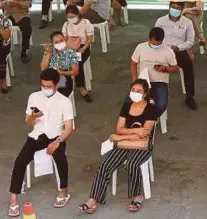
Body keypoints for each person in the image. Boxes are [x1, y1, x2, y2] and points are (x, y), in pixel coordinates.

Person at [78, 79, 157, 213]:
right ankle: (93, 200)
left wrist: (121, 137)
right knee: (105, 165)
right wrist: (136, 131)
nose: (135, 93)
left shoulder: (151, 109)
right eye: (133, 90)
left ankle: (137, 195)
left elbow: (145, 134)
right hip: (125, 143)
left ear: (145, 93)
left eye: (139, 91)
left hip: (142, 146)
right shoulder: (126, 106)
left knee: (132, 163)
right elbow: (120, 128)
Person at [7, 69, 74, 217]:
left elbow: (69, 128)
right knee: (20, 161)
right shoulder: (34, 97)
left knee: (61, 160)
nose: (46, 89)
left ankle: (63, 191)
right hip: (37, 135)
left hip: (56, 136)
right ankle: (13, 197)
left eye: (49, 86)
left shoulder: (64, 101)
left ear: (56, 85)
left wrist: (57, 142)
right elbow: (28, 123)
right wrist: (32, 116)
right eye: (43, 85)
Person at [155, 1, 197, 110]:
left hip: (178, 50)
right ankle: (151, 93)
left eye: (178, 8)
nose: (175, 9)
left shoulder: (187, 22)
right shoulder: (161, 21)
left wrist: (178, 47)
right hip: (162, 50)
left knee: (188, 65)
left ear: (181, 10)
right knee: (152, 65)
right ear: (169, 7)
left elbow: (190, 41)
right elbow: (155, 37)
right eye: (173, 7)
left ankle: (190, 97)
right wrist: (163, 47)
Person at [130, 27, 178, 117]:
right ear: (149, 38)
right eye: (153, 44)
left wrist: (165, 68)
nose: (156, 46)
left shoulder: (168, 51)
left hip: (160, 83)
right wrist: (134, 79)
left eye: (158, 44)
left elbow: (175, 68)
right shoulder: (140, 47)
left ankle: (149, 119)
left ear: (163, 40)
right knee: (131, 102)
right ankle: (142, 119)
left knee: (161, 104)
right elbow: (133, 63)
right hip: (142, 81)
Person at [62, 5, 93, 102]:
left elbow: (89, 39)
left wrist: (83, 49)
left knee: (77, 61)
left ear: (78, 14)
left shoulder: (85, 23)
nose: (70, 19)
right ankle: (64, 85)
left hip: (83, 47)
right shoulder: (66, 25)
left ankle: (81, 87)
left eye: (72, 17)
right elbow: (64, 39)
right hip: (70, 48)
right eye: (68, 17)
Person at [40, 31, 79, 98]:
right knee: (47, 93)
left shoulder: (72, 52)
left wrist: (61, 72)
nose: (59, 43)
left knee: (58, 95)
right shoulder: (49, 51)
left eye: (61, 40)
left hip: (63, 77)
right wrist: (48, 53)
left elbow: (75, 71)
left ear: (65, 39)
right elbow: (43, 68)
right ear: (52, 43)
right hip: (49, 78)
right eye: (56, 42)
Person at [0, 13, 11, 94]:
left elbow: (6, 37)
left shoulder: (4, 20)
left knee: (1, 57)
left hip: (3, 45)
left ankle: (3, 80)